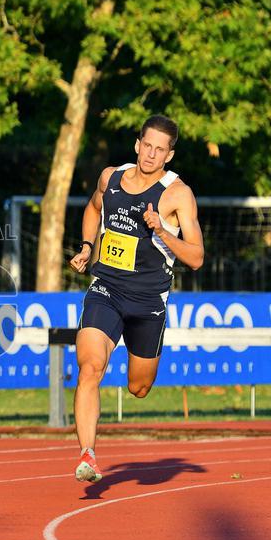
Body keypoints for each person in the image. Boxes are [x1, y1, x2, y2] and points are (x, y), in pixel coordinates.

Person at [68, 114, 204, 483]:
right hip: (106, 288)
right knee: (89, 368)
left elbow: (195, 257)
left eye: (160, 150)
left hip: (148, 301)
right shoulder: (111, 178)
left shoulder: (177, 195)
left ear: (169, 155)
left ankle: (132, 369)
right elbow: (94, 209)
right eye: (147, 145)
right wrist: (86, 246)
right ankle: (88, 454)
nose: (151, 154)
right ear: (137, 145)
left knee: (139, 388)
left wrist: (161, 229)